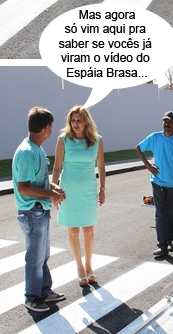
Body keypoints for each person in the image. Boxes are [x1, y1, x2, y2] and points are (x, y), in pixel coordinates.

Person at [12, 106, 66, 312]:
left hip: (39, 210)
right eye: (51, 126)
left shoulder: (36, 149)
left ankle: (44, 291)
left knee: (42, 256)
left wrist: (53, 187)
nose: (51, 130)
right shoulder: (27, 152)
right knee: (35, 258)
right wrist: (51, 194)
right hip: (31, 211)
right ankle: (32, 297)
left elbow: (38, 180)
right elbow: (23, 187)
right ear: (45, 128)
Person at [51, 105, 106, 287]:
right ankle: (79, 266)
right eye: (73, 120)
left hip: (88, 191)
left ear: (86, 122)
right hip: (68, 191)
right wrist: (54, 190)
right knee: (73, 230)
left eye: (79, 120)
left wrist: (103, 189)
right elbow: (57, 167)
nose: (75, 124)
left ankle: (89, 265)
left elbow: (101, 166)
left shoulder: (97, 141)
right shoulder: (63, 140)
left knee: (88, 229)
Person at [136, 111, 173, 257]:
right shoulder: (154, 137)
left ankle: (169, 240)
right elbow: (138, 148)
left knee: (171, 213)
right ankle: (162, 246)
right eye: (165, 121)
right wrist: (148, 166)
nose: (167, 124)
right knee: (160, 214)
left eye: (170, 122)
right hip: (158, 182)